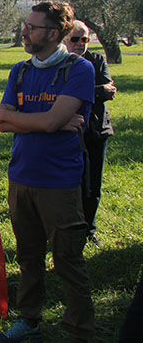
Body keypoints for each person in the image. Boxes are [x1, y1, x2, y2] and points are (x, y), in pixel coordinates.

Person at [0, 1, 95, 343]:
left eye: (31, 28)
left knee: (68, 259)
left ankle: (79, 331)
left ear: (53, 34)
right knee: (28, 257)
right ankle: (30, 320)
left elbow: (42, 120)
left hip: (59, 183)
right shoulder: (20, 71)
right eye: (26, 25)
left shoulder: (78, 69)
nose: (24, 31)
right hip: (21, 178)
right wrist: (49, 122)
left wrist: (24, 120)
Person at [63, 20, 116, 246]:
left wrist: (85, 93)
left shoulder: (97, 60)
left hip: (96, 130)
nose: (80, 44)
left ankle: (89, 229)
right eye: (75, 39)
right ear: (65, 39)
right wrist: (97, 91)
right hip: (67, 130)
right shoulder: (60, 63)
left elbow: (109, 91)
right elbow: (58, 94)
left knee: (93, 183)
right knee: (70, 183)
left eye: (84, 39)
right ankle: (68, 228)